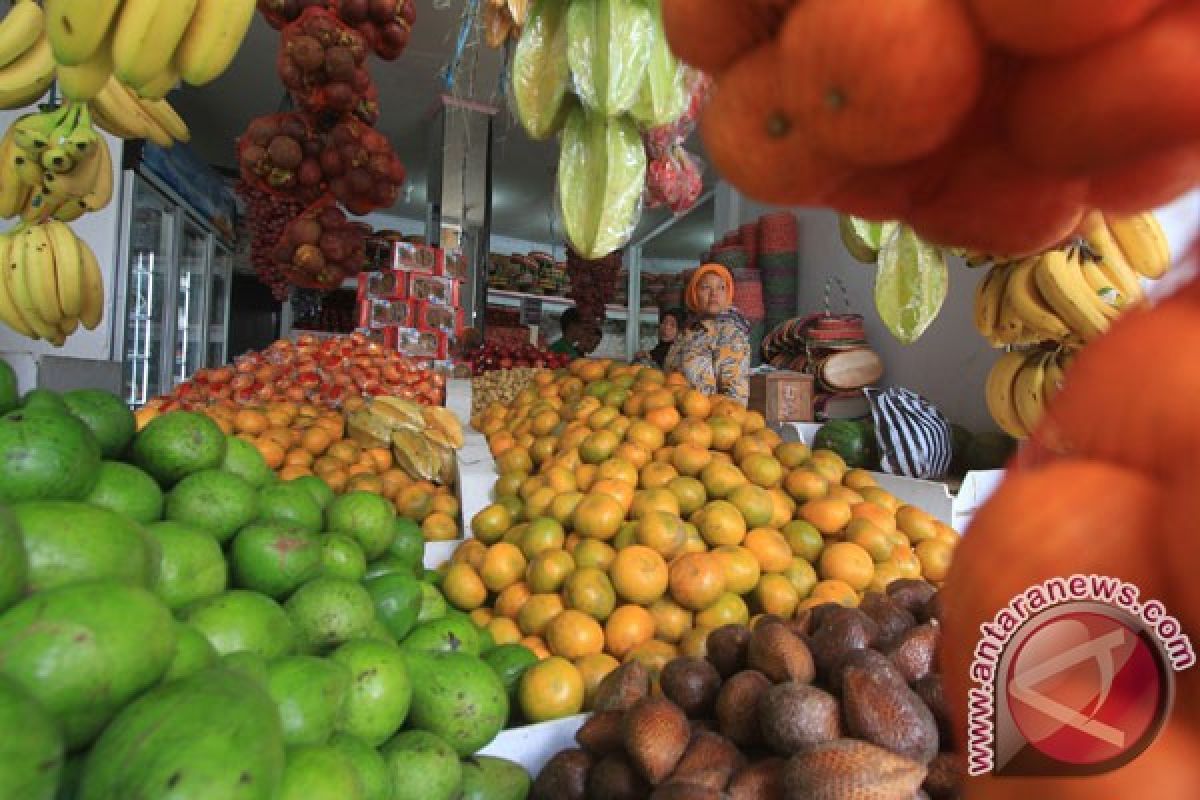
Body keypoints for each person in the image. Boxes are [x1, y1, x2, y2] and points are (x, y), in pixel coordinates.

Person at [664, 263, 752, 404]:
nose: (714, 293)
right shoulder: (689, 331)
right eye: (706, 287)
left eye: (721, 288)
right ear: (694, 293)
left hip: (708, 422)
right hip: (676, 418)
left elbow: (734, 399)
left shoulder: (730, 334)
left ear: (728, 293)